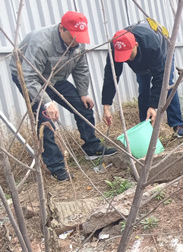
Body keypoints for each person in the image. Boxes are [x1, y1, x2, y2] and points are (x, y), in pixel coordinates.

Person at [9, 11, 116, 182]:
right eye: (73, 37)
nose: (76, 42)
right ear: (61, 29)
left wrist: (83, 93)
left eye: (80, 37)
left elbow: (81, 68)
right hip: (29, 78)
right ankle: (56, 167)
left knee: (84, 107)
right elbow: (28, 77)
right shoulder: (41, 43)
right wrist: (47, 102)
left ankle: (92, 147)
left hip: (56, 78)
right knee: (45, 121)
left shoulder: (78, 43)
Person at [100, 22, 183, 138]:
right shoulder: (115, 47)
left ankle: (177, 125)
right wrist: (106, 106)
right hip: (141, 61)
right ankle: (146, 127)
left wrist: (153, 106)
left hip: (163, 51)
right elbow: (111, 76)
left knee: (167, 85)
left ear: (135, 45)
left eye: (128, 54)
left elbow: (160, 78)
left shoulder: (151, 45)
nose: (126, 59)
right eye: (123, 56)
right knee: (144, 89)